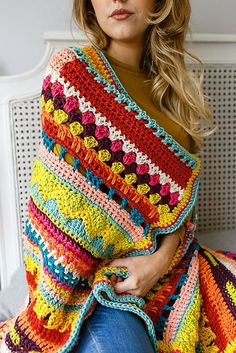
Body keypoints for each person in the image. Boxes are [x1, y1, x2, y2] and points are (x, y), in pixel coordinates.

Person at [0, 1, 235, 353]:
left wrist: (156, 264)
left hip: (170, 268)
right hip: (91, 285)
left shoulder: (173, 90)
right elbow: (59, 213)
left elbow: (179, 214)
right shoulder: (74, 73)